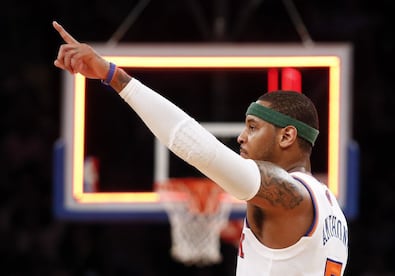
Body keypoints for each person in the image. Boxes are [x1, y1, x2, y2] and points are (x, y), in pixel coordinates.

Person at [52, 20, 349, 275]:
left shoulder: (290, 193)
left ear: (286, 136)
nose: (241, 138)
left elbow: (196, 145)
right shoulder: (333, 211)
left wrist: (112, 74)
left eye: (253, 127)